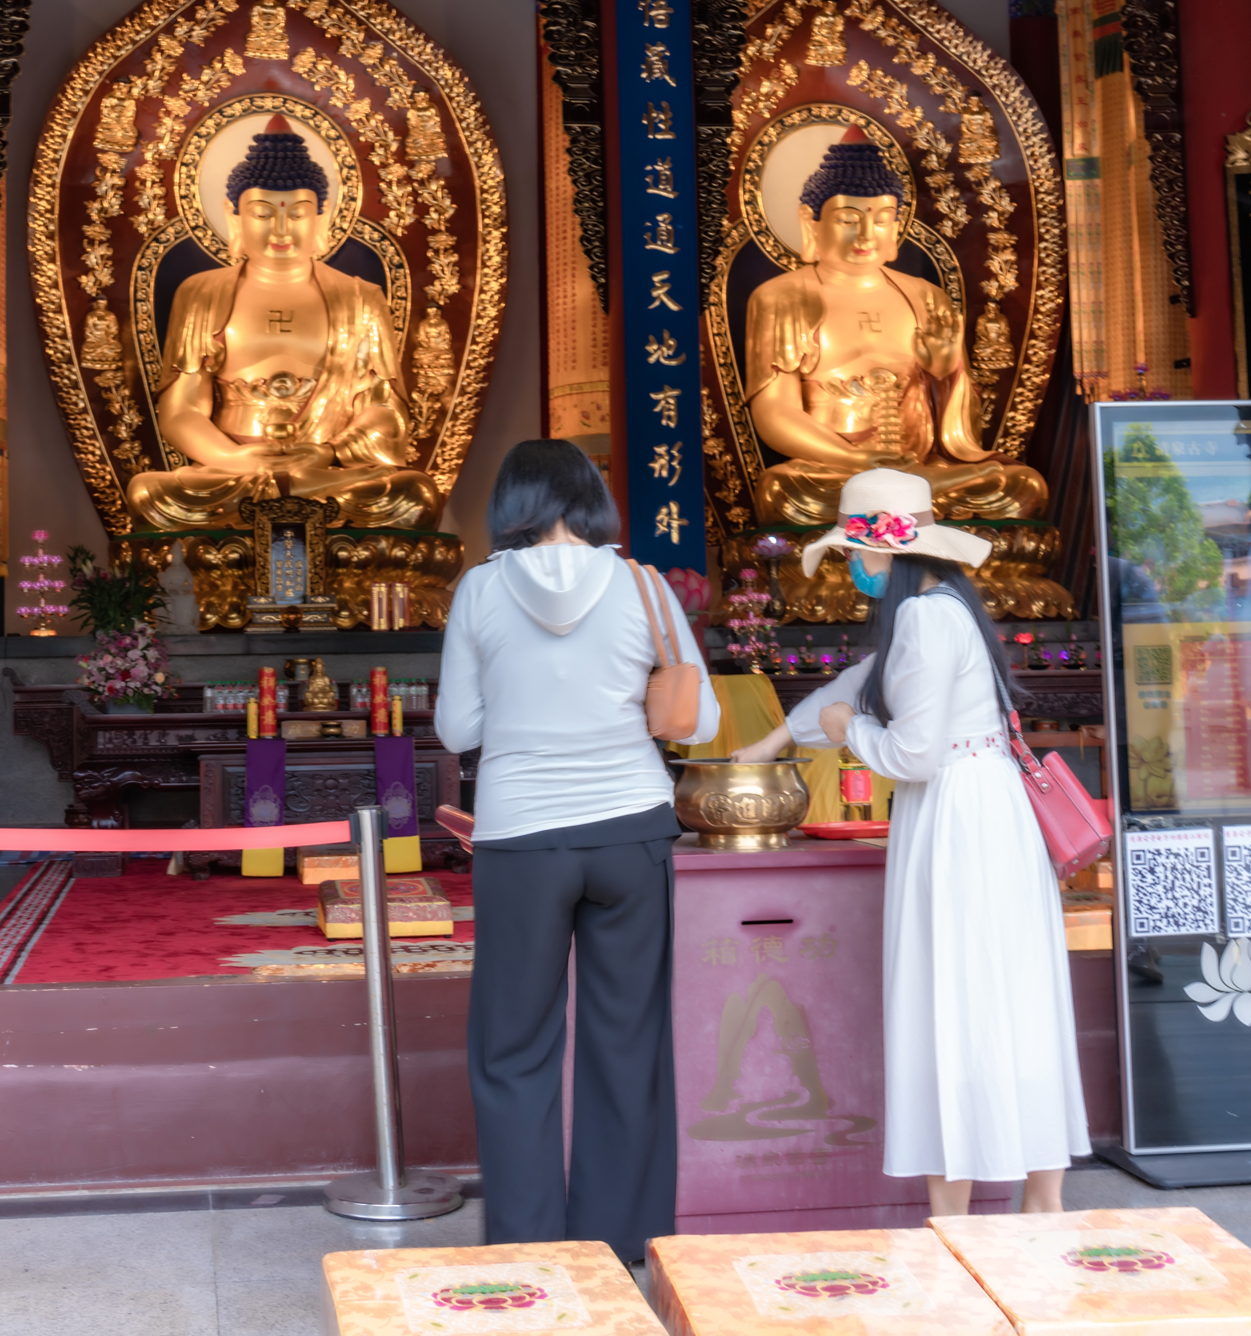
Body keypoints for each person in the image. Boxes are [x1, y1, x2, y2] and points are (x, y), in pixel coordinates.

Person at [731, 467, 1086, 1216]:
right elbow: (856, 684)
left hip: (956, 817)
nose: (850, 570)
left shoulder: (923, 620)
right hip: (987, 810)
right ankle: (1042, 1200)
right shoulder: (948, 607)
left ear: (883, 554)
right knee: (1012, 998)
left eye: (852, 555)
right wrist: (764, 746)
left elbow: (908, 752)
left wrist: (848, 735)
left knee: (949, 1000)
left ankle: (951, 1213)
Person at [437, 439, 721, 1263]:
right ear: (592, 500)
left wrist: (524, 702)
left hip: (522, 837)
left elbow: (457, 728)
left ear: (511, 504)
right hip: (631, 830)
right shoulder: (643, 586)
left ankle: (528, 1243)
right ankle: (622, 1240)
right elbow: (697, 723)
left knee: (514, 1046)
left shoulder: (481, 588)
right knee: (627, 1038)